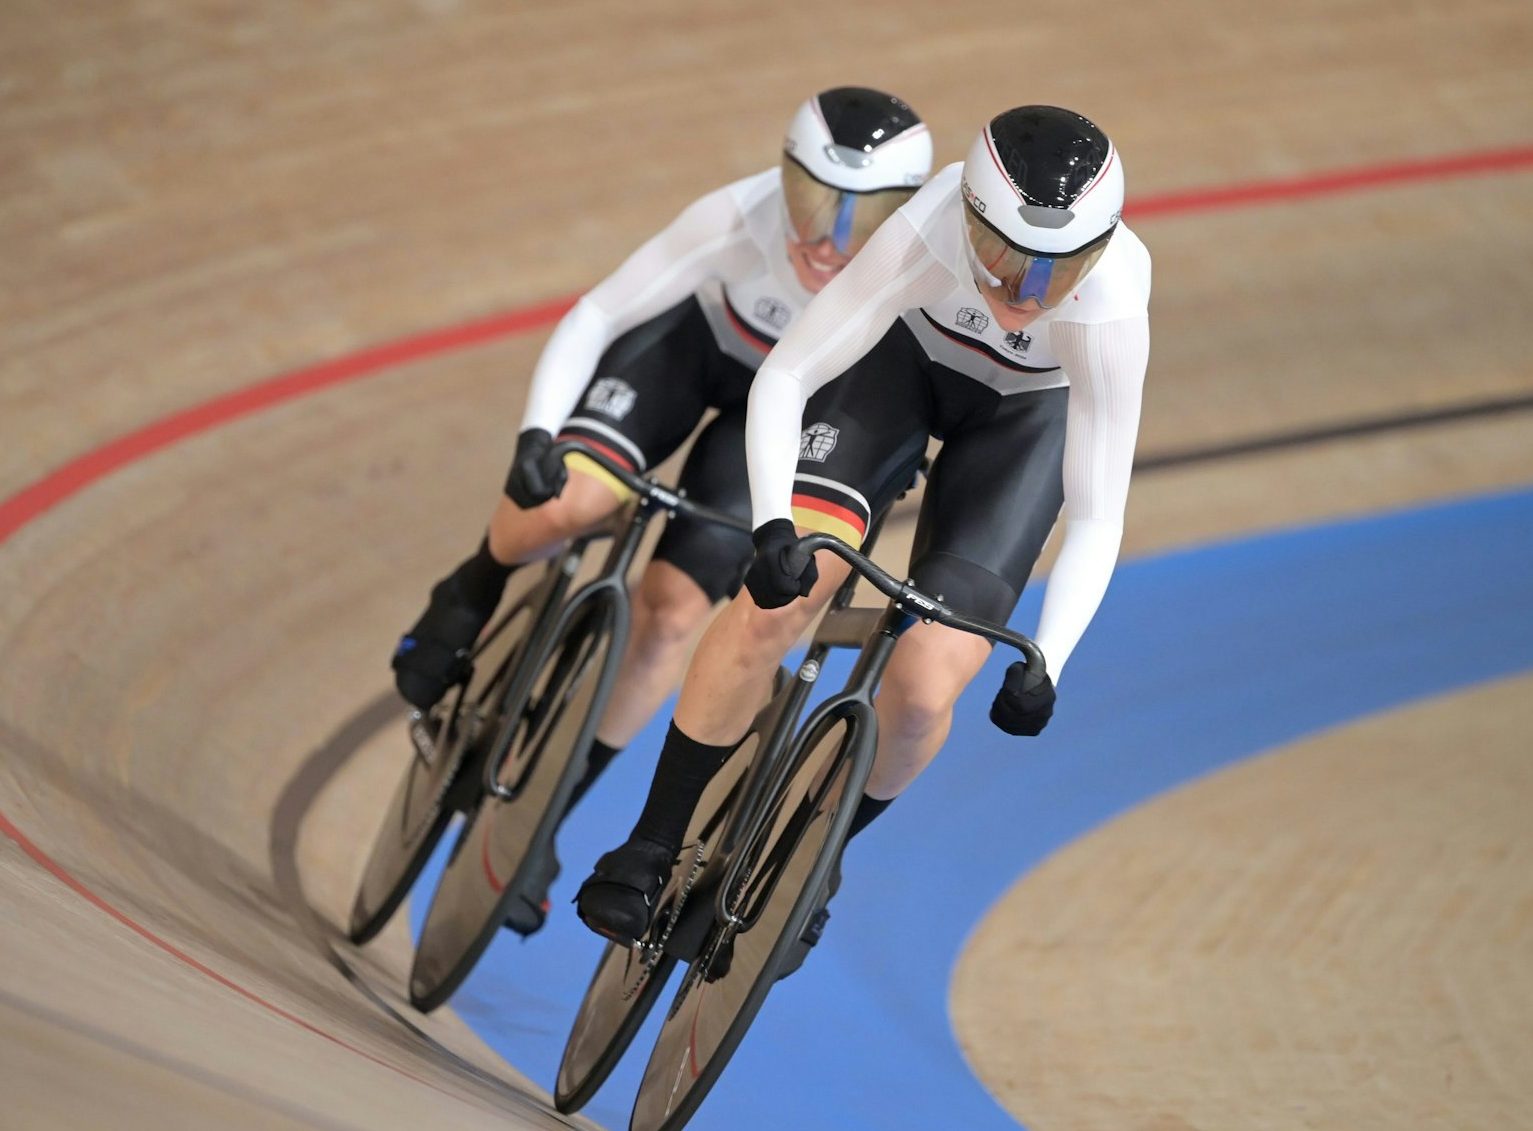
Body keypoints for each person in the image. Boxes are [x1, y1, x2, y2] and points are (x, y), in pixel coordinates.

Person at [576, 105, 1151, 960]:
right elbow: (790, 373)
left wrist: (1049, 660)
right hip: (900, 373)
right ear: (969, 221)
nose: (1022, 295)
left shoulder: (1108, 306)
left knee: (923, 695)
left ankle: (812, 859)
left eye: (1056, 273)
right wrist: (772, 525)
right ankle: (652, 841)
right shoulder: (922, 233)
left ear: (1096, 257)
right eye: (1000, 259)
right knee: (779, 603)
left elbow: (1100, 510)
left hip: (1022, 422)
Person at [391, 88, 933, 928]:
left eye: (863, 220)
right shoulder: (733, 215)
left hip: (777, 417)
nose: (830, 242)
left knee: (674, 616)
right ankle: (473, 585)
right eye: (814, 204)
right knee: (568, 503)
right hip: (690, 356)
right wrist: (539, 432)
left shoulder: (910, 275)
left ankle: (547, 818)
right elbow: (599, 311)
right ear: (782, 181)